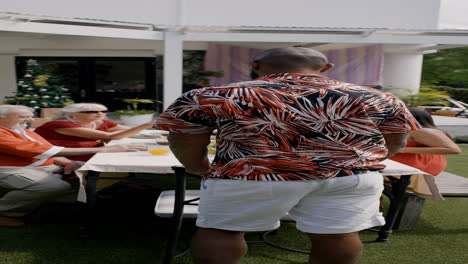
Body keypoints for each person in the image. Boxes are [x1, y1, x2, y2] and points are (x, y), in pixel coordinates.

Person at [154, 47, 421, 264]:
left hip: (249, 174)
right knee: (338, 235)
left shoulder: (213, 95)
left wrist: (198, 167)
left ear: (255, 64)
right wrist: (359, 161)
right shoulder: (378, 98)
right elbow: (396, 139)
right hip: (348, 176)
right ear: (325, 68)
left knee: (222, 230)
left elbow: (182, 137)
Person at [0, 105, 145, 227]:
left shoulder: (20, 129)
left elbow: (47, 149)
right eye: (23, 117)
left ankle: (42, 201)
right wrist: (104, 149)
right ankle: (4, 212)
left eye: (30, 116)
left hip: (40, 165)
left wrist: (68, 162)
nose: (30, 120)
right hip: (9, 169)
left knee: (85, 180)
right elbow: (44, 151)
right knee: (54, 186)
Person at [35, 103, 154, 162]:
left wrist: (159, 132)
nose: (100, 114)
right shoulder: (61, 124)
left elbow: (128, 130)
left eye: (103, 111)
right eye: (92, 111)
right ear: (71, 114)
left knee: (134, 152)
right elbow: (112, 136)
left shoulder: (100, 122)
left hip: (90, 150)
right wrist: (147, 125)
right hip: (63, 155)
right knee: (125, 154)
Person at [389, 108, 461, 199]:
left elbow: (454, 149)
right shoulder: (409, 130)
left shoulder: (421, 131)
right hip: (409, 166)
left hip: (419, 168)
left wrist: (403, 150)